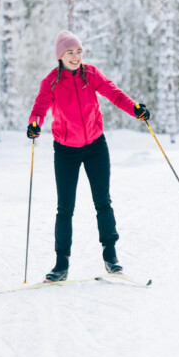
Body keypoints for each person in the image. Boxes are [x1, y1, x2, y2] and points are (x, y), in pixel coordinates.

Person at [27, 30, 150, 282]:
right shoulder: (51, 82)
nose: (75, 56)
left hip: (95, 145)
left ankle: (111, 257)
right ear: (60, 56)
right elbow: (39, 108)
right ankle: (61, 263)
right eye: (70, 52)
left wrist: (135, 108)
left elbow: (113, 93)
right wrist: (34, 123)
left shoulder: (90, 74)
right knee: (65, 208)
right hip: (65, 150)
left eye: (79, 52)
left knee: (103, 202)